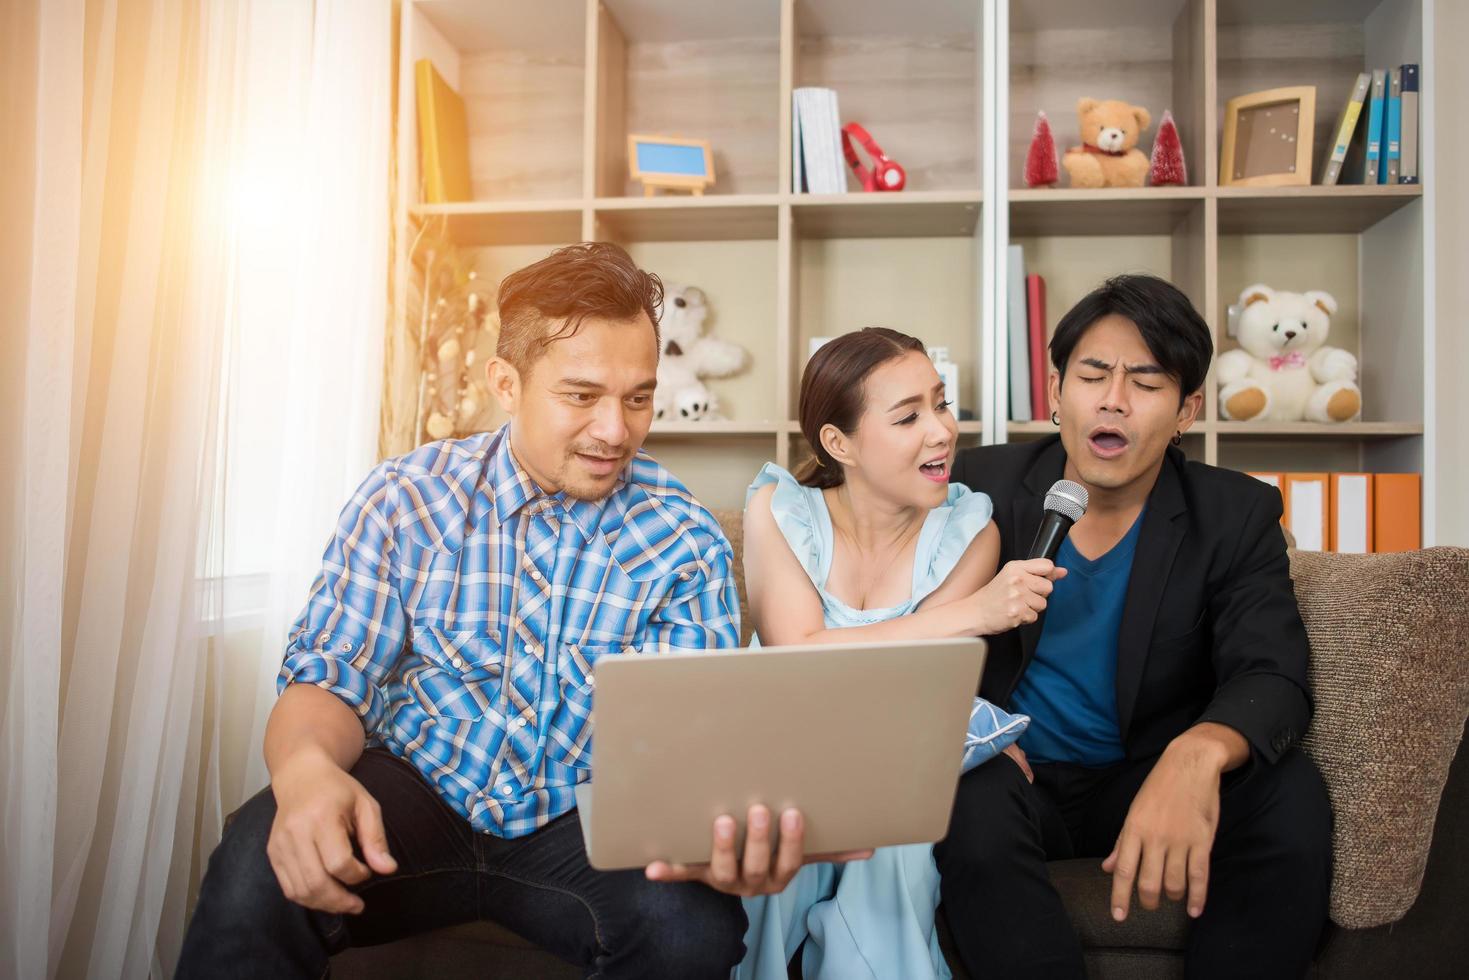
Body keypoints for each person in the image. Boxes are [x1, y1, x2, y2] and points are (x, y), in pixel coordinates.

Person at [177, 243, 824, 979]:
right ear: (506, 383)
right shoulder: (403, 499)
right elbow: (329, 677)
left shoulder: (684, 538)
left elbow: (689, 745)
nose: (615, 430)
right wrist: (302, 772)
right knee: (251, 860)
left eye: (638, 398)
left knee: (692, 932)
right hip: (413, 795)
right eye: (580, 396)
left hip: (585, 819)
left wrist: (718, 838)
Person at [935, 274, 1333, 978]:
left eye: (1146, 383)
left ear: (1186, 410)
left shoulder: (1235, 514)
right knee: (966, 788)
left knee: (1289, 789)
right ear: (1056, 391)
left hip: (1142, 777)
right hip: (1013, 776)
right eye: (1092, 374)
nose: (1112, 399)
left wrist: (1198, 754)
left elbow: (1270, 672)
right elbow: (896, 614)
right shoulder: (977, 489)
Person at [734, 327, 1063, 980]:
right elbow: (797, 660)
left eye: (939, 404)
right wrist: (972, 613)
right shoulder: (780, 509)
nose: (941, 431)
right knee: (760, 881)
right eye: (908, 416)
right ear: (839, 443)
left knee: (898, 853)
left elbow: (912, 688)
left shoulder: (969, 530)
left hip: (892, 760)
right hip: (782, 753)